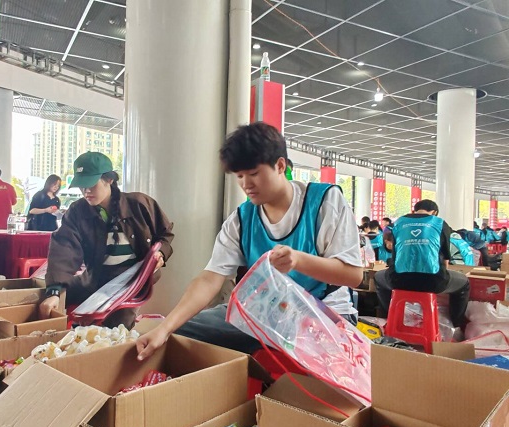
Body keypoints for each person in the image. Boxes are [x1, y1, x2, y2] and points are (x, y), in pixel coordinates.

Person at [136, 122, 363, 360]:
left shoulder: (325, 202)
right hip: (268, 314)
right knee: (182, 332)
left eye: (254, 174)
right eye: (239, 176)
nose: (246, 184)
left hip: (325, 315)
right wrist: (164, 329)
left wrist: (298, 260)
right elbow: (210, 279)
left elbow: (353, 275)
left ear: (280, 166)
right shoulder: (241, 220)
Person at [38, 152, 174, 329]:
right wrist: (54, 291)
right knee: (45, 297)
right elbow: (64, 247)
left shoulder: (139, 204)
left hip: (131, 282)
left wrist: (161, 253)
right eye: (82, 186)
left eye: (91, 184)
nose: (86, 191)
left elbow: (165, 234)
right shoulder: (78, 211)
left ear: (109, 179)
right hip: (96, 278)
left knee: (115, 328)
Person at [374, 200, 469, 327]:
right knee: (464, 283)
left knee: (378, 277)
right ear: (434, 212)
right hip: (433, 283)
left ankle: (390, 319)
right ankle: (456, 326)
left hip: (398, 281)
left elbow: (395, 256)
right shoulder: (439, 223)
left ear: (415, 210)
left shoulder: (399, 223)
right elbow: (445, 259)